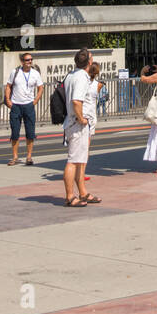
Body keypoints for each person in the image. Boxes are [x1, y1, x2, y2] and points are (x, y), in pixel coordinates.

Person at [62, 49, 101, 207]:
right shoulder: (82, 78)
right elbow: (77, 101)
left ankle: (82, 193)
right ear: (89, 62)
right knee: (73, 161)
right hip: (77, 124)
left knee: (80, 160)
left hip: (72, 123)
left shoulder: (71, 75)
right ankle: (70, 196)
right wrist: (82, 119)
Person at [4, 50, 43, 166]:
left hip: (29, 106)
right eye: (27, 60)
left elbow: (41, 88)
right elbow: (8, 86)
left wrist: (35, 100)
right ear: (22, 61)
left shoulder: (35, 73)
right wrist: (8, 100)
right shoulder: (15, 72)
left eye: (31, 60)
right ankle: (15, 157)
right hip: (16, 105)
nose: (29, 62)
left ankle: (29, 157)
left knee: (30, 133)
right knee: (15, 132)